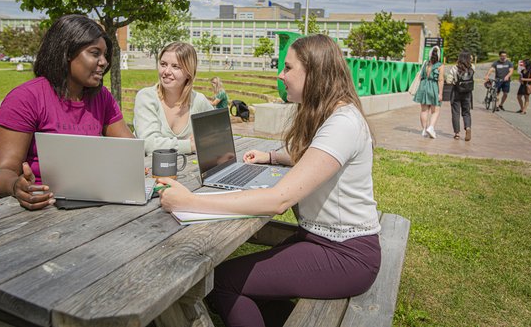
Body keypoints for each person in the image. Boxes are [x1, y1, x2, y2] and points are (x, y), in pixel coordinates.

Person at [158, 34, 381, 327]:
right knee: (245, 281)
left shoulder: (342, 124)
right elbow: (318, 156)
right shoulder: (336, 114)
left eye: (288, 68)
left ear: (314, 72)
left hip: (345, 254)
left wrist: (190, 202)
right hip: (324, 242)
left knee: (221, 282)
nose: (280, 75)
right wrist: (273, 158)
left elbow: (279, 200)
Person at [0, 15, 134, 210]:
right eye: (95, 53)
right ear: (67, 52)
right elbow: (1, 172)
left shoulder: (102, 97)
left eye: (105, 55)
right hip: (8, 209)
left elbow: (129, 151)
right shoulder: (26, 98)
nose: (104, 62)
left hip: (73, 204)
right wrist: (17, 186)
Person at [133, 42, 213, 155]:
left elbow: (219, 135)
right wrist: (190, 145)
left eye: (175, 66)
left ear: (189, 73)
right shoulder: (146, 97)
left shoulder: (199, 101)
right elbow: (149, 145)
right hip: (149, 170)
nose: (166, 72)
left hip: (189, 170)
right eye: (163, 64)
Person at [413, 46, 444, 139]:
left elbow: (421, 76)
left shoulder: (425, 64)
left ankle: (424, 130)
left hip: (423, 86)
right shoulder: (440, 66)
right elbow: (440, 80)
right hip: (433, 87)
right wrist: (440, 93)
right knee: (435, 110)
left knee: (424, 110)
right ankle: (431, 127)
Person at [446, 51, 475, 141]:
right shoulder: (472, 67)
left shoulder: (455, 68)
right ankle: (468, 128)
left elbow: (448, 81)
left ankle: (457, 133)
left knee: (455, 113)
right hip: (467, 93)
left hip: (456, 92)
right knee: (466, 112)